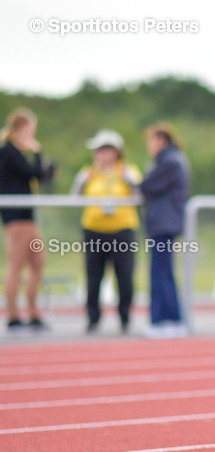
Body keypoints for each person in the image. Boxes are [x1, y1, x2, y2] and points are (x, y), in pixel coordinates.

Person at [71, 129, 142, 334]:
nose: (99, 154)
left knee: (125, 277)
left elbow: (140, 195)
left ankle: (125, 317)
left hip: (122, 231)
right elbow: (74, 198)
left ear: (115, 152)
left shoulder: (128, 171)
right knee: (93, 277)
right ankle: (93, 318)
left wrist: (130, 181)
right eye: (97, 150)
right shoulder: (88, 173)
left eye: (104, 150)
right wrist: (81, 182)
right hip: (94, 230)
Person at [0, 108, 57, 334]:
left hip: (27, 216)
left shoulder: (14, 152)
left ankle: (33, 314)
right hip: (16, 217)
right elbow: (34, 173)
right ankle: (13, 317)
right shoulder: (8, 151)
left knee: (37, 262)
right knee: (16, 265)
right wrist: (38, 152)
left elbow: (38, 175)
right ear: (22, 128)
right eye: (31, 129)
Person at [140, 122, 191, 339]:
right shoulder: (173, 159)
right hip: (164, 223)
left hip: (164, 224)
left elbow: (146, 186)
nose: (149, 146)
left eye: (151, 140)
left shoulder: (169, 161)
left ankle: (164, 320)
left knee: (160, 273)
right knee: (163, 272)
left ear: (161, 140)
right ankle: (170, 319)